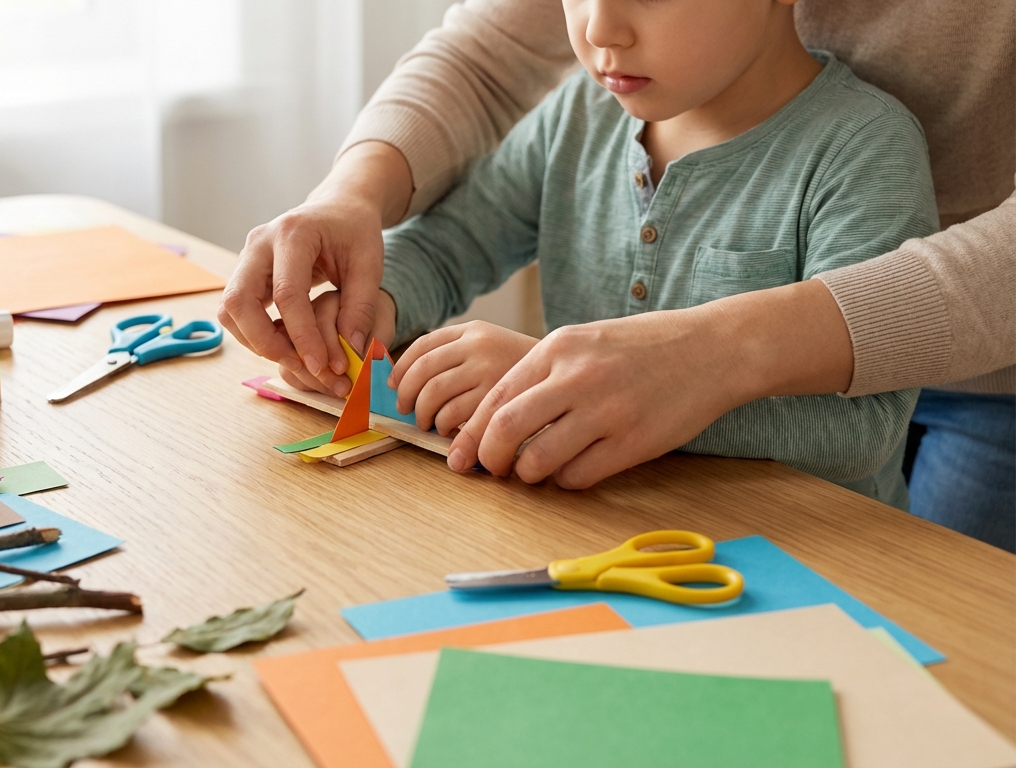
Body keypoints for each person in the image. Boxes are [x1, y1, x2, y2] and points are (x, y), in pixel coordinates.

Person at [218, 1, 1015, 546]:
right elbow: (451, 243)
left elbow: (860, 429)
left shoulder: (863, 151)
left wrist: (554, 386)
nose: (601, 29)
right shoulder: (579, 115)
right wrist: (366, 306)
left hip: (803, 560)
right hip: (604, 534)